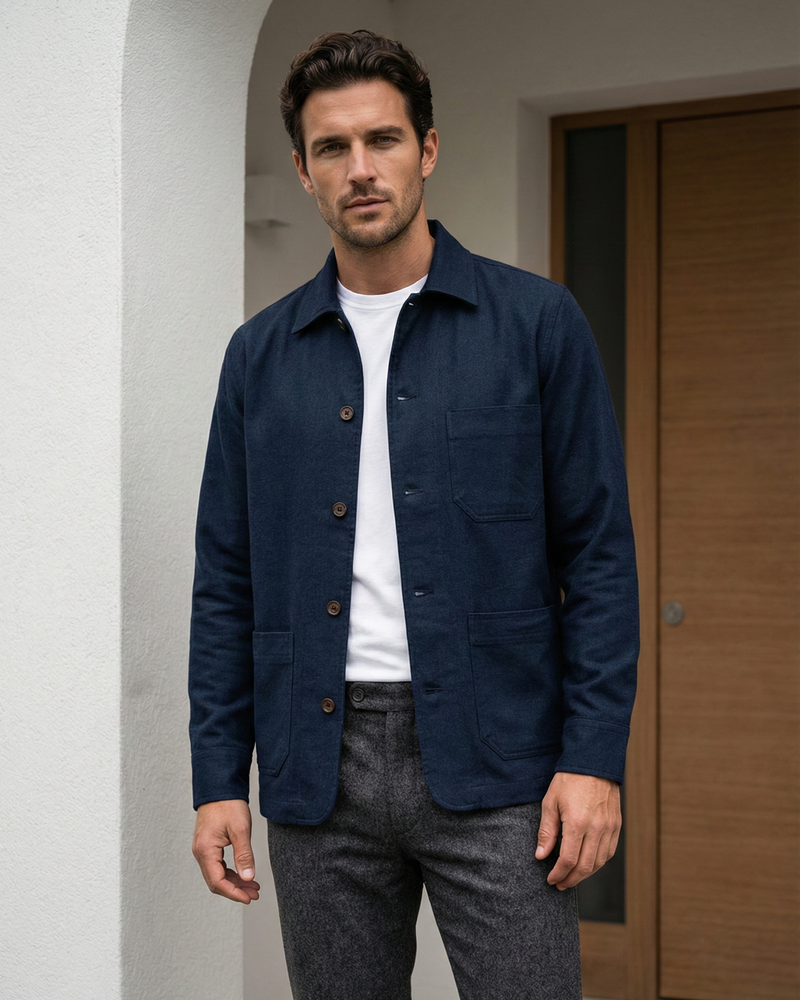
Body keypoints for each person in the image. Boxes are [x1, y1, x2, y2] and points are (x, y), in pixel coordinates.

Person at [189, 29, 638, 1000]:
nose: (360, 168)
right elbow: (225, 580)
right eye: (331, 148)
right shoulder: (259, 357)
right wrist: (218, 777)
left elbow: (597, 558)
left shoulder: (535, 324)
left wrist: (593, 759)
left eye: (382, 139)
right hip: (318, 769)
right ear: (303, 171)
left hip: (504, 761)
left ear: (425, 150)